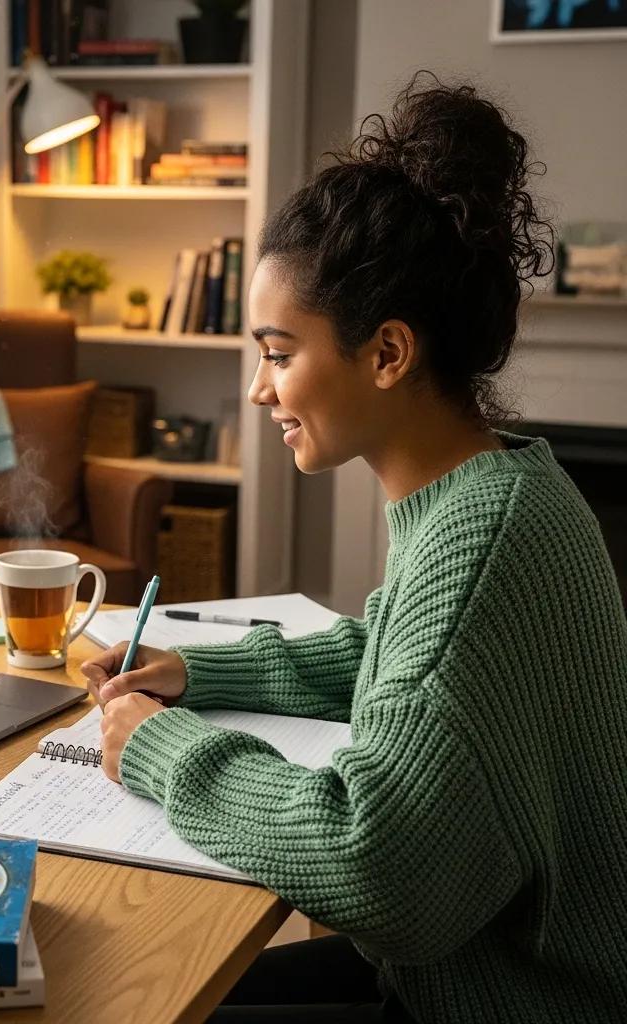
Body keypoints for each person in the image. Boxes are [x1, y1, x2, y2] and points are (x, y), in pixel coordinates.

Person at [82, 74, 627, 1023]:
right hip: (474, 973)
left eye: (279, 352)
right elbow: (395, 663)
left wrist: (167, 752)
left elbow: (381, 870)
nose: (260, 390)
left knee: (130, 995)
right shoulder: (499, 488)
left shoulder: (481, 545)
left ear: (387, 354)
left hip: (500, 1002)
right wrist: (198, 675)